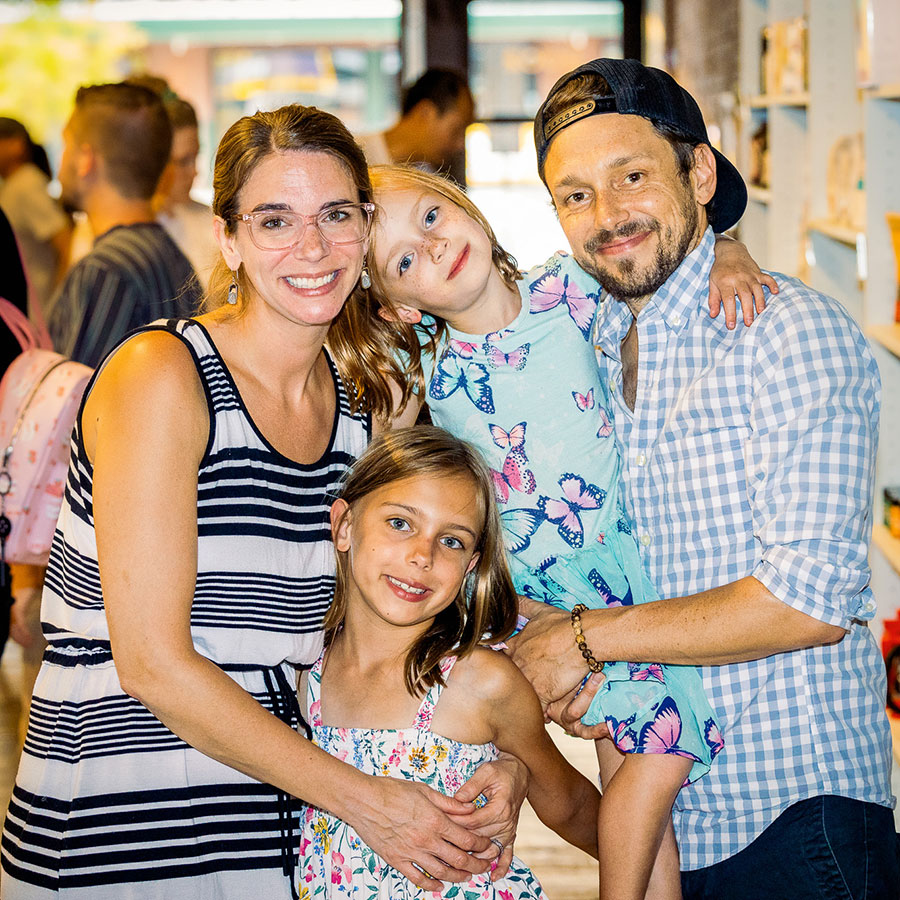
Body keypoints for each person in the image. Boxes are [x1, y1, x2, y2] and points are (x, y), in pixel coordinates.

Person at [1, 104, 524, 899]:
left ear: (365, 227)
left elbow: (396, 621)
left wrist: (501, 753)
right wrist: (368, 801)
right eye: (274, 219)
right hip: (121, 833)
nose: (311, 248)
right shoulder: (163, 376)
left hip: (275, 832)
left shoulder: (367, 409)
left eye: (336, 216)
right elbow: (153, 665)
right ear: (228, 239)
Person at [503, 57, 898, 899]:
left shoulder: (785, 335)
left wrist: (583, 638)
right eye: (575, 196)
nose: (607, 216)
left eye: (632, 177)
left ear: (701, 172)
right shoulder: (585, 338)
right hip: (671, 832)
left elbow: (809, 601)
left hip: (794, 821)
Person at [328, 163, 773, 900]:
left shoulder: (568, 286)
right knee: (660, 759)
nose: (433, 250)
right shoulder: (430, 369)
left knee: (635, 765)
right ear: (402, 307)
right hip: (550, 597)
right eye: (404, 262)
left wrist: (728, 248)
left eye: (432, 220)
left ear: (461, 205)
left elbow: (667, 266)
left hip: (628, 567)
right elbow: (391, 469)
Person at [297, 425, 599, 897]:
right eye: (400, 523)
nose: (422, 555)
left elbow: (572, 807)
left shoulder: (480, 681)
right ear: (344, 526)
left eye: (452, 541)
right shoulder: (304, 673)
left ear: (471, 566)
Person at [46, 82, 202, 368]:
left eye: (67, 144)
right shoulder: (174, 258)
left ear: (85, 159)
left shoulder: (104, 272)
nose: (60, 162)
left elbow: (79, 404)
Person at [125, 74, 218, 289]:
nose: (194, 172)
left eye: (196, 157)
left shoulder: (214, 224)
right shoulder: (123, 226)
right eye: (182, 161)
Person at [0, 117, 73, 319]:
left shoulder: (26, 183)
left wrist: (58, 303)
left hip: (36, 313)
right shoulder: (13, 184)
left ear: (16, 144)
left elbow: (64, 239)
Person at [357, 68, 474, 173]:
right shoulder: (355, 156)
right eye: (456, 130)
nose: (460, 145)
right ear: (425, 113)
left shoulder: (428, 180)